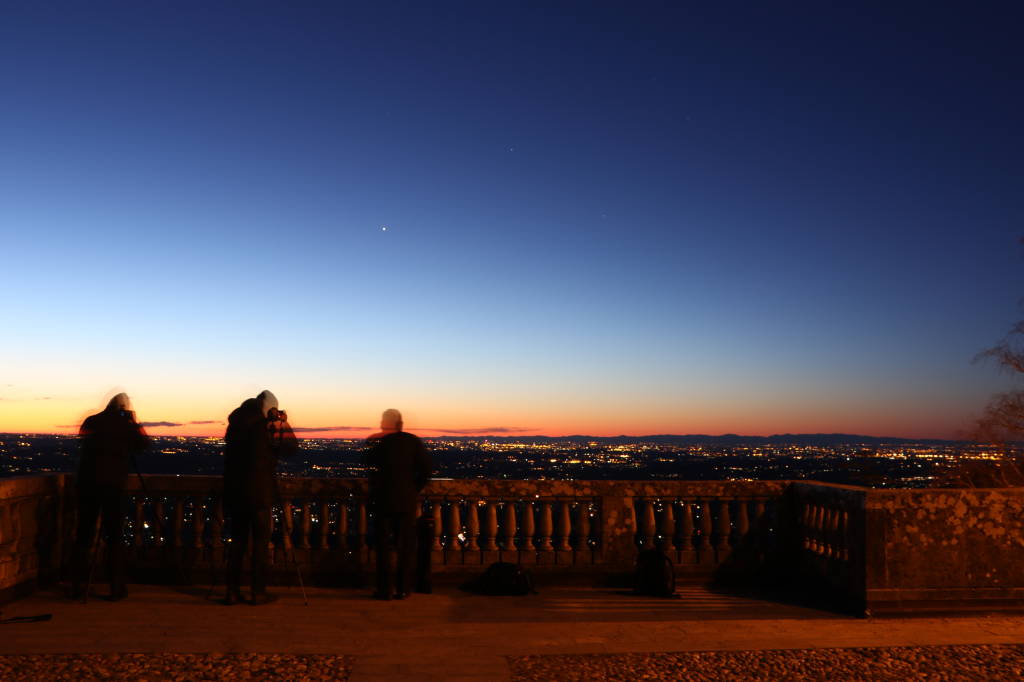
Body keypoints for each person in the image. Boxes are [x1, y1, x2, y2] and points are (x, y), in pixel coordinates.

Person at [71, 393, 150, 601]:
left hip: (87, 485)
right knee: (115, 536)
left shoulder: (93, 420)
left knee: (83, 535)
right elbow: (144, 445)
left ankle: (78, 586)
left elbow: (82, 439)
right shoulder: (127, 425)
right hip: (114, 487)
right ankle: (116, 587)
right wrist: (133, 423)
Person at [222, 390, 297, 605]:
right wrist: (282, 423)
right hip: (259, 492)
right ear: (269, 408)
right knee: (260, 544)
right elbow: (291, 448)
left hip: (235, 490)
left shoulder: (235, 424)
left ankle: (232, 591)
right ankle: (258, 591)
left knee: (237, 542)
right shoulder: (261, 427)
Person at [365, 408, 432, 600]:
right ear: (400, 424)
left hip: (383, 500)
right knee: (405, 547)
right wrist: (413, 488)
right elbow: (426, 470)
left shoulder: (378, 442)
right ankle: (403, 588)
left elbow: (368, 463)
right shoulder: (412, 442)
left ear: (384, 424)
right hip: (406, 501)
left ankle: (384, 589)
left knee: (383, 547)